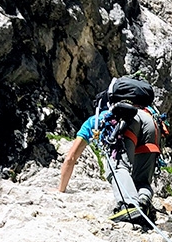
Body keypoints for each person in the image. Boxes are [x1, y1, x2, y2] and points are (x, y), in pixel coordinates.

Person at [57, 77, 162, 222]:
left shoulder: (95, 121)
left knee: (117, 167)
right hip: (153, 123)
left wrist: (60, 190)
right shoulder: (140, 109)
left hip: (129, 120)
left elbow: (71, 158)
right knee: (142, 180)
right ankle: (143, 201)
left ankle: (129, 204)